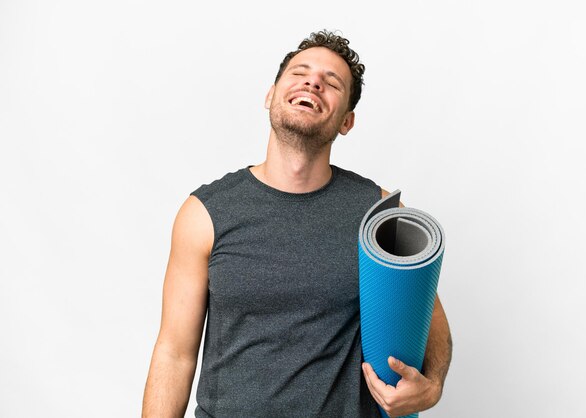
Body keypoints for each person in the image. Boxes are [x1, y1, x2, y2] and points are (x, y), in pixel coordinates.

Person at [142, 30, 452, 418]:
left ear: (346, 121)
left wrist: (433, 385)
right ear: (270, 95)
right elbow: (174, 352)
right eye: (300, 72)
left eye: (331, 81)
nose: (313, 82)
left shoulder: (378, 212)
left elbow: (429, 317)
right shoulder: (205, 212)